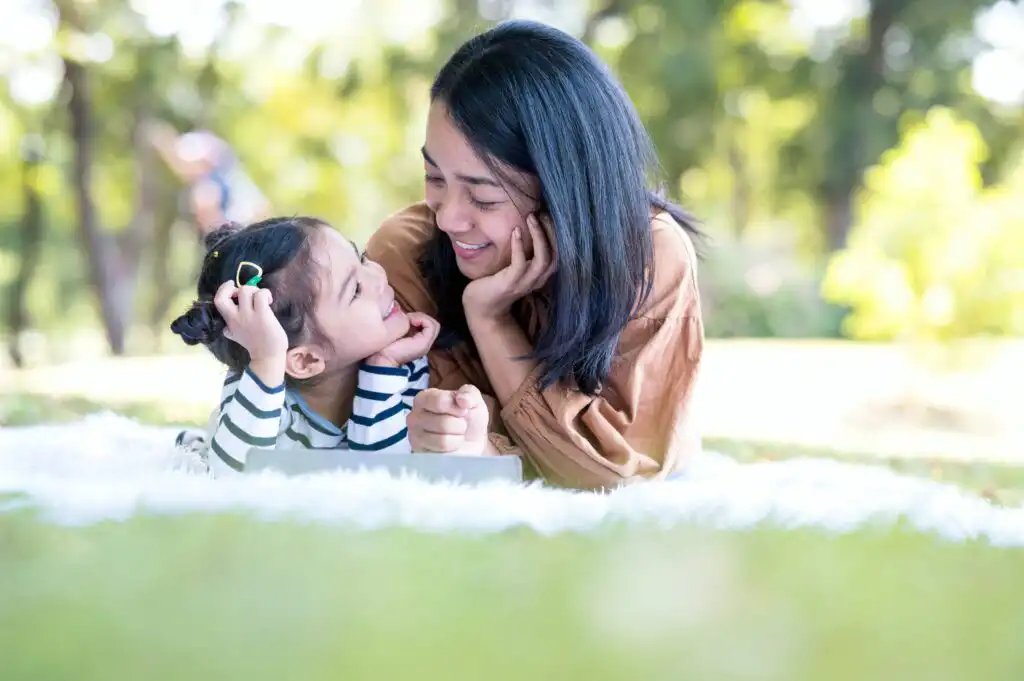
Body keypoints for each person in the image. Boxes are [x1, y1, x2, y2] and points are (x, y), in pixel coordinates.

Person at [366, 20, 705, 491]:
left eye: (483, 197)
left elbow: (615, 470)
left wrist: (490, 319)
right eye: (435, 178)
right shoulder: (405, 251)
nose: (448, 219)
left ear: (563, 190)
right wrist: (473, 445)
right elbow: (381, 429)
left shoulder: (648, 257)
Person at [170, 216, 492, 475]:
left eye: (362, 259)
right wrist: (266, 361)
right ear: (307, 360)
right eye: (354, 290)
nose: (378, 277)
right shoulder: (256, 389)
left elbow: (387, 476)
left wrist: (382, 368)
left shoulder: (400, 368)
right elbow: (232, 478)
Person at [146, 120, 271, 237]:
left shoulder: (185, 147)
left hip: (223, 181)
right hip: (225, 190)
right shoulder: (181, 155)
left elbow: (210, 159)